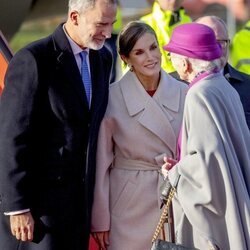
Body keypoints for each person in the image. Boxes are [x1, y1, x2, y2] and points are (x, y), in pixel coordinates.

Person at [0, 0, 117, 249]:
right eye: (101, 24)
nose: (108, 33)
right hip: (38, 214)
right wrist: (17, 207)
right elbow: (10, 137)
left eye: (112, 24)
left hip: (78, 211)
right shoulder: (34, 60)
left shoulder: (102, 59)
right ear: (74, 17)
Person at [91, 21, 187, 250]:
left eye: (154, 48)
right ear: (125, 58)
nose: (150, 57)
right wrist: (101, 220)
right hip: (128, 203)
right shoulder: (111, 98)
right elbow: (101, 165)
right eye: (139, 52)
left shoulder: (185, 92)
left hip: (177, 197)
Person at [162, 22, 250, 249]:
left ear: (186, 62)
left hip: (215, 218)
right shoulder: (222, 85)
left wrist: (175, 172)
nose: (170, 60)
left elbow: (207, 166)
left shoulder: (199, 94)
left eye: (172, 55)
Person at [196, 15, 250, 129]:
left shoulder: (248, 86)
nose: (215, 48)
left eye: (221, 42)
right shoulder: (176, 86)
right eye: (207, 41)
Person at [141, 0, 191, 73]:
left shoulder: (188, 21)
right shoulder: (144, 23)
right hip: (156, 77)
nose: (174, 1)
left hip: (185, 76)